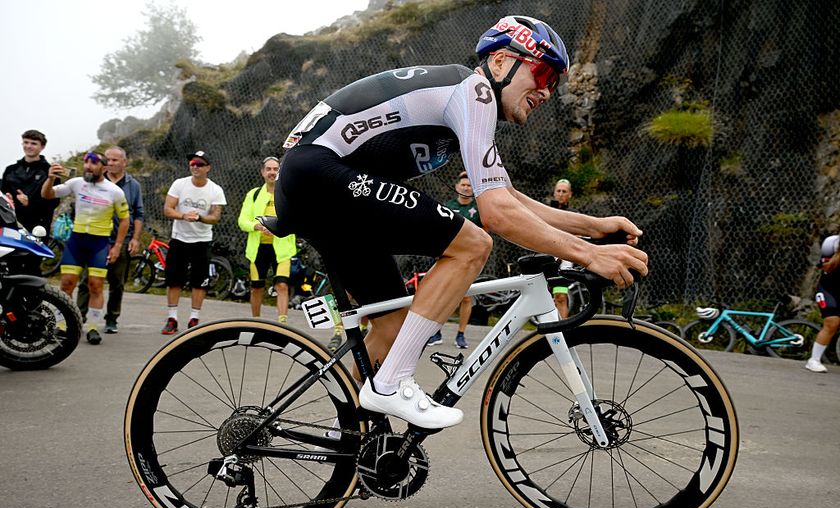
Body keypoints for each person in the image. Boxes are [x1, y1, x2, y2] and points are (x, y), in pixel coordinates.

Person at [275, 15, 648, 429]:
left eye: (554, 83)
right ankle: (390, 386)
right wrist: (590, 255)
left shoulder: (466, 102)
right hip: (318, 174)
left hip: (322, 185)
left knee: (393, 327)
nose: (546, 90)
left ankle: (353, 441)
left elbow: (506, 197)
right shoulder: (472, 93)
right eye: (543, 73)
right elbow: (497, 215)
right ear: (503, 63)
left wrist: (593, 227)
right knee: (472, 244)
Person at [40, 151, 129, 345]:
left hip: (99, 244)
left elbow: (125, 219)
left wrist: (117, 246)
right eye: (86, 162)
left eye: (94, 163)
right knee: (66, 285)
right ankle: (62, 326)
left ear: (104, 168)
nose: (88, 166)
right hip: (77, 242)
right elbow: (47, 194)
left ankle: (93, 328)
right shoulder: (77, 183)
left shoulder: (114, 191)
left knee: (95, 286)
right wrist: (50, 178)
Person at [76, 146, 145, 333]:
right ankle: (78, 317)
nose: (111, 163)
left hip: (121, 241)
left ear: (124, 162)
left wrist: (135, 239)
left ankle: (112, 319)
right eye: (108, 159)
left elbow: (138, 214)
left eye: (115, 160)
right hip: (95, 239)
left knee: (117, 283)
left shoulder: (134, 186)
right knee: (87, 281)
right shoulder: (93, 182)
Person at [161, 150, 226, 334]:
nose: (195, 166)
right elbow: (167, 209)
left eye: (199, 164)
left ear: (208, 168)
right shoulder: (179, 184)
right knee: (174, 279)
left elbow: (215, 217)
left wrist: (199, 218)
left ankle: (194, 320)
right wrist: (183, 216)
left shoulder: (215, 190)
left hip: (201, 241)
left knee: (199, 281)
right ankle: (172, 318)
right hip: (179, 239)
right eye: (192, 163)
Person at [237, 156, 296, 322]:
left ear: (280, 172)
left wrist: (279, 229)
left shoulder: (288, 193)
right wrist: (256, 226)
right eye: (268, 169)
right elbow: (242, 221)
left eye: (275, 169)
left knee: (282, 285)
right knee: (257, 288)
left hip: (282, 249)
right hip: (258, 249)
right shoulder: (254, 194)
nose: (272, 172)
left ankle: (282, 324)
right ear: (262, 172)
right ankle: (256, 322)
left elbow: (297, 220)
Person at [427, 171, 481, 349]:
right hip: (450, 257)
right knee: (444, 295)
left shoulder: (477, 210)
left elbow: (484, 234)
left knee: (465, 298)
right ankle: (436, 332)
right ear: (457, 187)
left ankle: (461, 335)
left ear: (473, 189)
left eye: (469, 185)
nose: (466, 187)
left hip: (470, 259)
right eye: (463, 184)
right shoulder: (448, 206)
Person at [1, 130, 60, 275]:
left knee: (31, 269)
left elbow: (54, 202)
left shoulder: (50, 171)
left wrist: (30, 203)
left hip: (37, 228)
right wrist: (8, 199)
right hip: (11, 226)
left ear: (42, 147)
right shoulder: (10, 170)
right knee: (10, 269)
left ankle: (35, 298)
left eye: (34, 143)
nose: (29, 146)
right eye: (26, 142)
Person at [805, 234, 840, 372]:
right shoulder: (832, 242)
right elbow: (826, 267)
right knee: (832, 322)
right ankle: (813, 360)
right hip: (829, 290)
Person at [549, 178, 577, 318]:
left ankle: (561, 330)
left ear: (570, 194)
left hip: (564, 257)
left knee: (560, 296)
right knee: (544, 296)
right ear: (554, 193)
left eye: (564, 191)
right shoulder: (546, 210)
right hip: (547, 254)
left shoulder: (574, 214)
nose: (560, 194)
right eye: (558, 191)